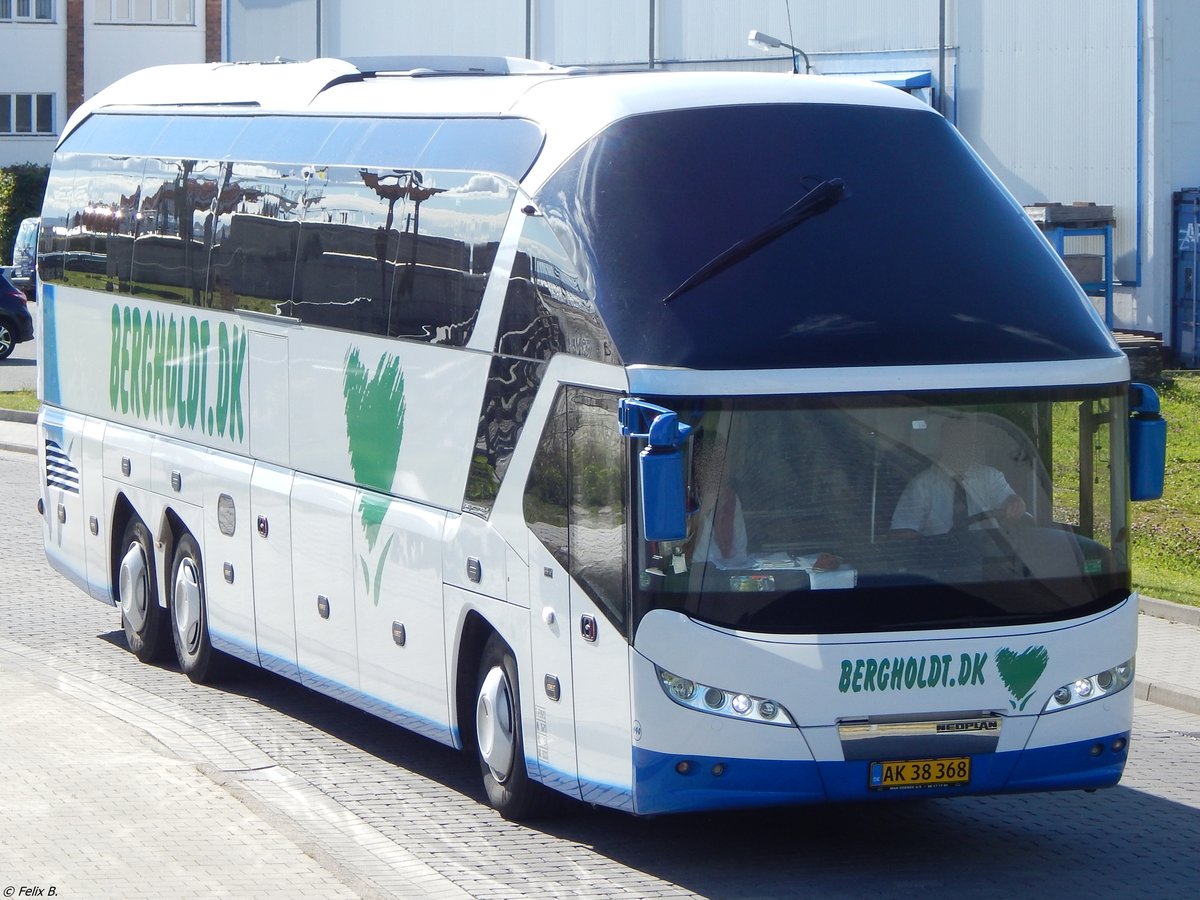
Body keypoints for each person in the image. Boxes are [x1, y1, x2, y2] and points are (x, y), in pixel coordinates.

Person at [890, 417, 1026, 539]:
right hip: (943, 558)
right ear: (944, 443)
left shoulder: (990, 477)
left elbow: (1012, 502)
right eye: (959, 440)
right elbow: (902, 530)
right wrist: (929, 548)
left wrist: (1015, 503)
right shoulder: (921, 485)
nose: (966, 447)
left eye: (970, 442)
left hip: (989, 555)